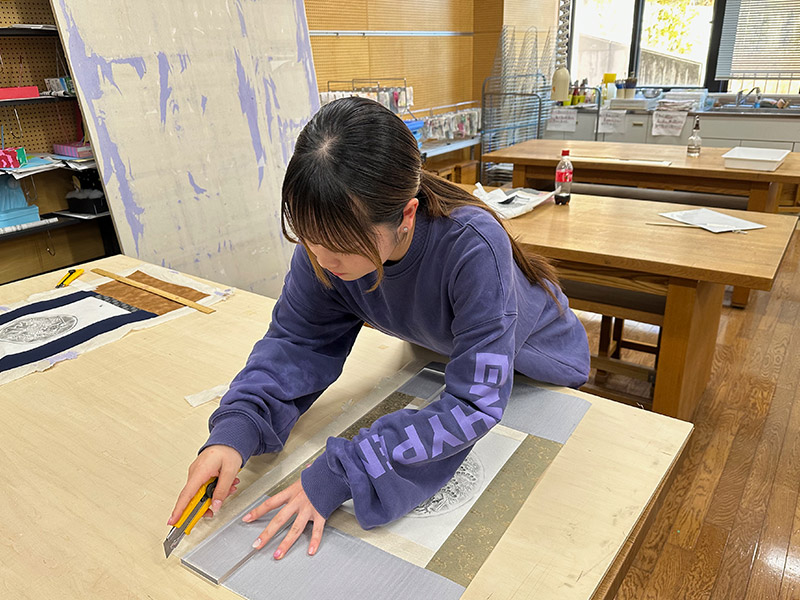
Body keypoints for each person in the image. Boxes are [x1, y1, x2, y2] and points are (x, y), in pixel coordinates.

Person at [169, 97, 590, 561]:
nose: (323, 261)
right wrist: (236, 429)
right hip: (445, 353)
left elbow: (475, 403)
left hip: (537, 366)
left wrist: (345, 470)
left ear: (406, 216)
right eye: (310, 240)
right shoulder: (327, 245)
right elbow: (297, 342)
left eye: (341, 247)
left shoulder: (474, 246)